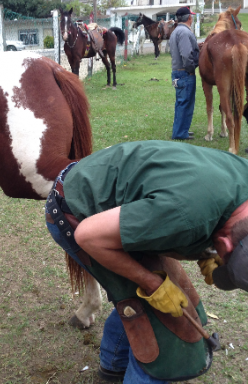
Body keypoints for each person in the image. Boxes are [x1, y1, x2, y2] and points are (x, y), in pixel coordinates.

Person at [45, 140, 248, 383]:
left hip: (129, 197)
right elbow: (88, 236)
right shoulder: (183, 215)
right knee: (163, 329)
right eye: (224, 256)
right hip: (78, 211)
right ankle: (127, 368)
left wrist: (207, 251)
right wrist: (152, 284)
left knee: (140, 298)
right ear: (225, 244)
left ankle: (113, 365)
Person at [169, 7, 199, 140]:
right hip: (185, 73)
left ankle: (181, 130)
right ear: (189, 18)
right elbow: (186, 55)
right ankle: (180, 133)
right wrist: (191, 69)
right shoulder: (185, 32)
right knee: (185, 103)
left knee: (181, 103)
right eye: (191, 17)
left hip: (178, 72)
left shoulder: (176, 31)